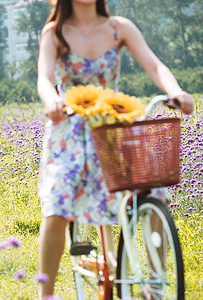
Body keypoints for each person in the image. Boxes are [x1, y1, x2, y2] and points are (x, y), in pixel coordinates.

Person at [37, 0, 194, 298]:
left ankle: (155, 283)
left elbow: (154, 64)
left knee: (151, 192)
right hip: (71, 128)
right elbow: (44, 78)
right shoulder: (55, 33)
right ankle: (46, 293)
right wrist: (51, 100)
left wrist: (175, 90)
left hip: (113, 125)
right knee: (58, 203)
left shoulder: (118, 28)